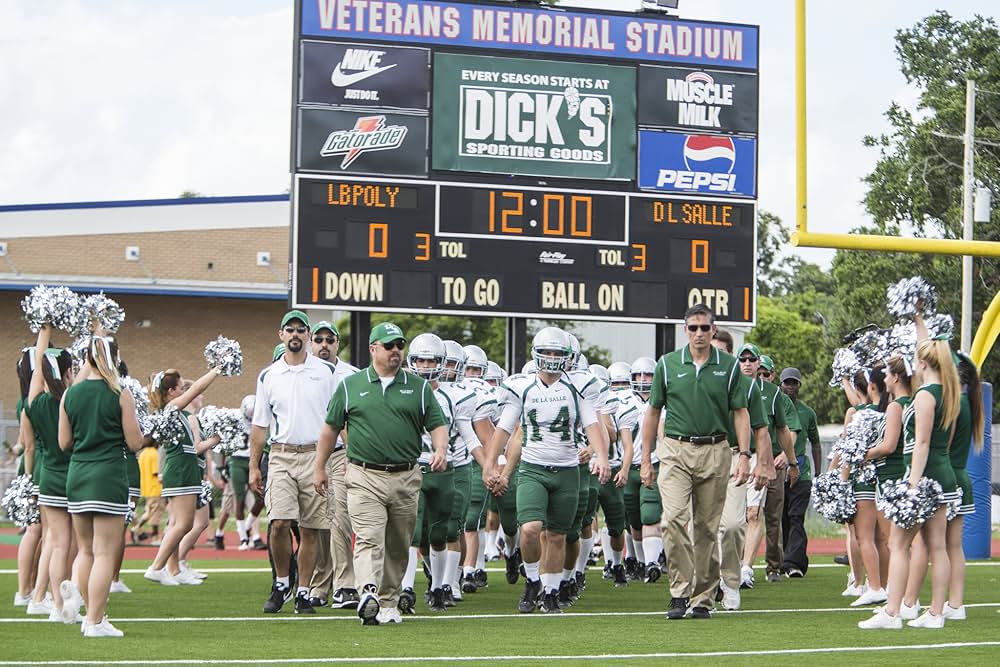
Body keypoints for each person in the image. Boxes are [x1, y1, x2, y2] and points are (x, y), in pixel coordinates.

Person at [316, 322, 449, 626]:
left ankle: (389, 600)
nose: (395, 351)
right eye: (389, 346)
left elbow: (437, 424)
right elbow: (330, 428)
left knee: (399, 543)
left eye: (399, 345)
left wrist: (440, 449)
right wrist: (319, 467)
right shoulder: (350, 386)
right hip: (364, 475)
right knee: (368, 537)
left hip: (405, 475)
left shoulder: (418, 387)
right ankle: (368, 592)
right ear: (373, 349)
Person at [482, 327, 611, 614]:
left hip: (567, 470)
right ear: (536, 354)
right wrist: (490, 464)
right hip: (533, 468)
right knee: (529, 529)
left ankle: (551, 592)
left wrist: (601, 456)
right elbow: (505, 429)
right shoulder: (521, 386)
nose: (552, 357)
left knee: (557, 535)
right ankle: (532, 580)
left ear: (567, 356)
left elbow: (592, 424)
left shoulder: (578, 386)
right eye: (547, 352)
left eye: (557, 352)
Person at [640, 304, 751, 620]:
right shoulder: (667, 364)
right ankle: (679, 591)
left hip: (716, 449)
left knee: (706, 527)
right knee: (672, 519)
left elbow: (740, 412)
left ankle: (703, 597)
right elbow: (653, 411)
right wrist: (646, 458)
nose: (699, 333)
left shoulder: (729, 366)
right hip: (675, 449)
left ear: (713, 330)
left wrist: (744, 455)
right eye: (693, 328)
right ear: (685, 330)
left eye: (705, 328)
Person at [860, 338, 960, 629]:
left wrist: (912, 484)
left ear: (924, 363)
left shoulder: (926, 395)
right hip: (943, 473)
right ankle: (936, 613)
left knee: (899, 544)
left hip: (924, 476)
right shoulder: (950, 393)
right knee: (937, 546)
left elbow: (922, 442)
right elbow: (945, 443)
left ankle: (892, 612)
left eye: (916, 361)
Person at [250, 310, 343, 615]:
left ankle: (304, 590)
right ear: (281, 335)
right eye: (289, 330)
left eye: (300, 330)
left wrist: (348, 456)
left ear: (307, 335)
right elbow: (260, 425)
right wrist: (253, 466)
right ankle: (281, 583)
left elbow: (339, 418)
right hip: (281, 454)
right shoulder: (269, 375)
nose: (295, 334)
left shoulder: (326, 372)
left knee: (310, 528)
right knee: (279, 523)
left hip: (317, 455)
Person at [59, 336, 145, 637]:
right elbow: (135, 442)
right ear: (115, 358)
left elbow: (64, 442)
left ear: (87, 359)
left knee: (85, 551)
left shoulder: (70, 394)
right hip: (108, 476)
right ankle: (95, 621)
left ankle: (90, 617)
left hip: (77, 476)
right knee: (105, 553)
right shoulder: (121, 393)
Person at [144, 367, 224, 586]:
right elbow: (197, 387)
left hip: (184, 468)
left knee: (180, 523)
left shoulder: (175, 413)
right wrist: (217, 370)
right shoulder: (170, 408)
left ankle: (171, 568)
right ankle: (156, 567)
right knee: (183, 524)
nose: (184, 391)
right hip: (180, 469)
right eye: (180, 388)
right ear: (171, 392)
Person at [710, 337, 770, 611]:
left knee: (734, 524)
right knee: (699, 525)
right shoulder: (696, 380)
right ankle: (706, 582)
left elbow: (761, 427)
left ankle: (731, 581)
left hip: (735, 455)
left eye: (722, 352)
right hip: (702, 455)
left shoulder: (747, 386)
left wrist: (760, 462)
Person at [21, 327, 76, 622]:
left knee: (55, 543)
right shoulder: (73, 400)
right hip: (74, 477)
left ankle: (55, 604)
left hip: (48, 478)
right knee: (75, 546)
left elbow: (37, 374)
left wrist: (45, 329)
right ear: (68, 373)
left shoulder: (35, 403)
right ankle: (65, 600)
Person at [305, 321, 361, 610]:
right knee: (316, 522)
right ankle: (318, 583)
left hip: (340, 453)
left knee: (340, 516)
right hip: (307, 453)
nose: (324, 345)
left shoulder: (351, 375)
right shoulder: (300, 372)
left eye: (330, 339)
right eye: (319, 339)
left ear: (338, 343)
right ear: (311, 343)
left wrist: (354, 453)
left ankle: (345, 584)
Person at [779, 367, 821, 578]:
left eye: (794, 383)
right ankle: (785, 560)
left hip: (802, 473)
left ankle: (793, 563)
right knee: (782, 519)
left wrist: (818, 473)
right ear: (780, 385)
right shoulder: (774, 408)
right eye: (787, 382)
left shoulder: (807, 413)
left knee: (796, 517)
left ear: (799, 385)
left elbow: (816, 443)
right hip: (778, 471)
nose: (790, 386)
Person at [133, 441, 164, 544]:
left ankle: (137, 528)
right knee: (156, 514)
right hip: (156, 488)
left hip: (146, 488)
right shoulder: (155, 454)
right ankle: (155, 537)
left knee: (149, 512)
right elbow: (156, 472)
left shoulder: (143, 454)